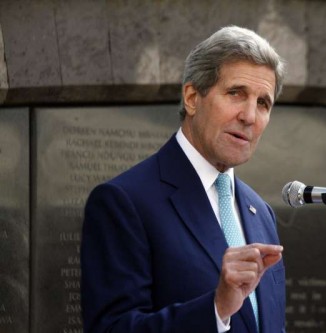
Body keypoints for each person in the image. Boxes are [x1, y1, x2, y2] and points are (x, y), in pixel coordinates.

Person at [81, 25, 286, 333]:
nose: (250, 116)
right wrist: (216, 309)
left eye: (262, 103)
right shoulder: (123, 202)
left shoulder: (261, 212)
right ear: (192, 98)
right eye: (235, 93)